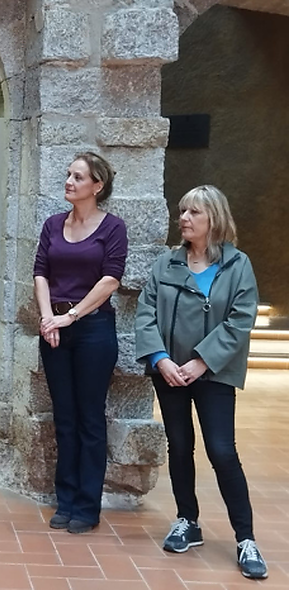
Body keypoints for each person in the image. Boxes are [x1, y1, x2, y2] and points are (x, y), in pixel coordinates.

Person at [135, 185, 267, 579]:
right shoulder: (167, 263)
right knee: (179, 445)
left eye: (193, 212)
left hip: (212, 373)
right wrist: (160, 359)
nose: (184, 219)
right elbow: (145, 313)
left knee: (222, 450)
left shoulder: (237, 265)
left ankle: (246, 539)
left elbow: (241, 319)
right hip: (170, 372)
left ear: (214, 219)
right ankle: (187, 521)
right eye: (182, 211)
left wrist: (201, 361)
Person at [34, 152, 127, 534]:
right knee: (64, 418)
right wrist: (47, 318)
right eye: (68, 174)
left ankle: (88, 506)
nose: (69, 181)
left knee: (90, 418)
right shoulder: (53, 225)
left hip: (93, 329)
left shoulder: (112, 227)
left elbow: (111, 280)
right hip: (54, 327)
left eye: (78, 176)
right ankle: (66, 498)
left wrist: (71, 316)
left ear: (97, 186)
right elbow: (40, 272)